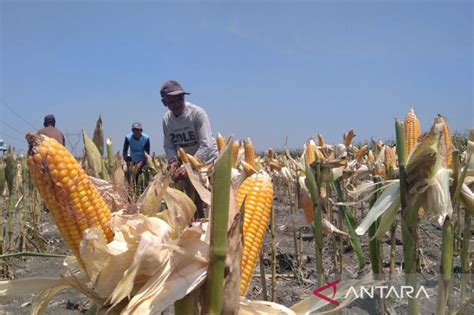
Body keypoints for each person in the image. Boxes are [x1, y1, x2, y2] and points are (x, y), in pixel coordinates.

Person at [160, 80, 218, 218]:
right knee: (193, 202)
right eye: (172, 101)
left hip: (207, 163)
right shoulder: (167, 120)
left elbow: (206, 145)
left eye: (180, 99)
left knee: (213, 203)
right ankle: (198, 228)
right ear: (165, 103)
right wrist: (173, 161)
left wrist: (190, 166)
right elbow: (169, 145)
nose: (177, 104)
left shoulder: (197, 114)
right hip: (186, 166)